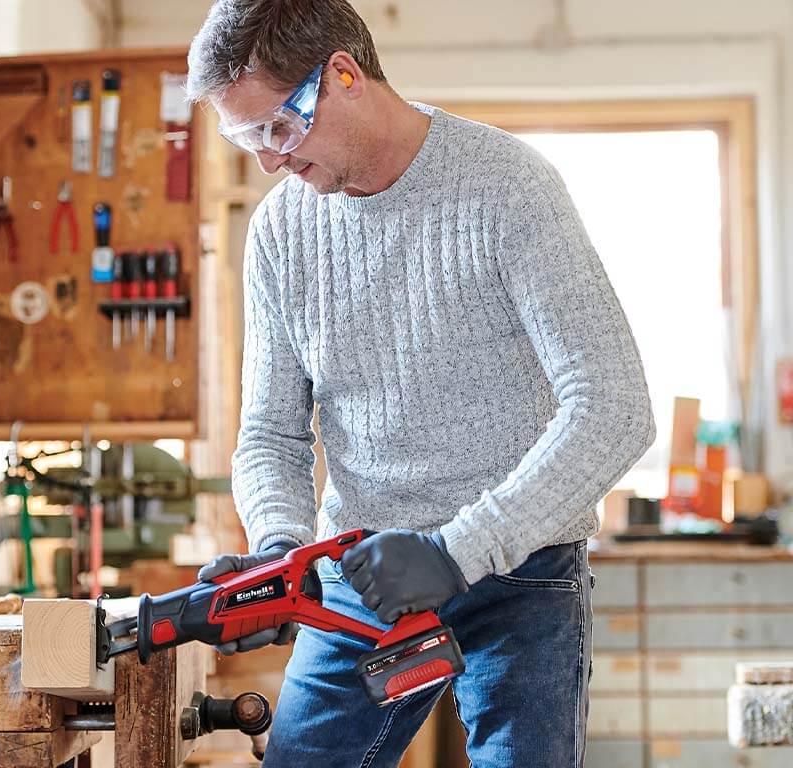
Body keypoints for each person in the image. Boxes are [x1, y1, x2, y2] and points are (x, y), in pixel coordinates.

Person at [186, 2, 656, 766]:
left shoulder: (509, 189)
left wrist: (453, 551)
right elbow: (271, 433)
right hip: (361, 575)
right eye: (247, 139)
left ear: (343, 75)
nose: (268, 160)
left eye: (277, 127)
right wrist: (279, 553)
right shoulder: (279, 232)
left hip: (522, 568)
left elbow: (614, 407)